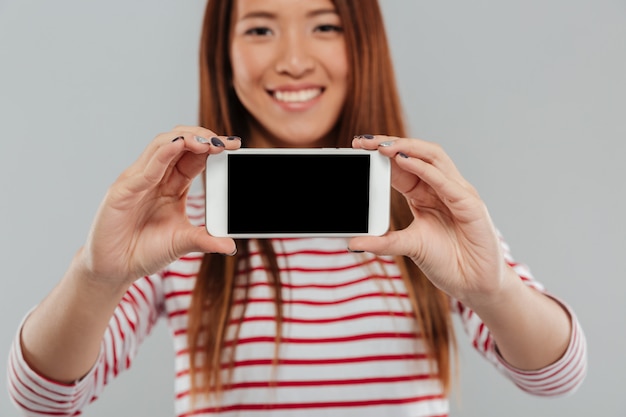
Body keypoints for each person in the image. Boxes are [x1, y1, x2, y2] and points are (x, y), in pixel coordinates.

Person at [7, 0, 587, 416]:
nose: (292, 59)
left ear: (363, 45)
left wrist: (492, 291)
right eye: (259, 28)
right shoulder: (179, 228)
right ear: (222, 56)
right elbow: (43, 397)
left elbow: (557, 376)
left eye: (325, 24)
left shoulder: (425, 217)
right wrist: (96, 275)